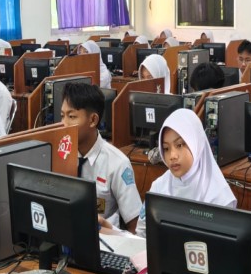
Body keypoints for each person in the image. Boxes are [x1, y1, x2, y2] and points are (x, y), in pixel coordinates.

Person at [135, 109, 236, 237]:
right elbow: (141, 233)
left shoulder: (219, 195)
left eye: (179, 145)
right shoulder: (159, 187)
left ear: (196, 144)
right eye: (166, 148)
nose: (172, 156)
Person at [61, 82, 142, 232]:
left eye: (71, 116)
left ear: (93, 120)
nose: (63, 124)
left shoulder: (118, 163)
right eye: (62, 116)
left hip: (104, 239)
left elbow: (134, 225)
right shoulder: (59, 155)